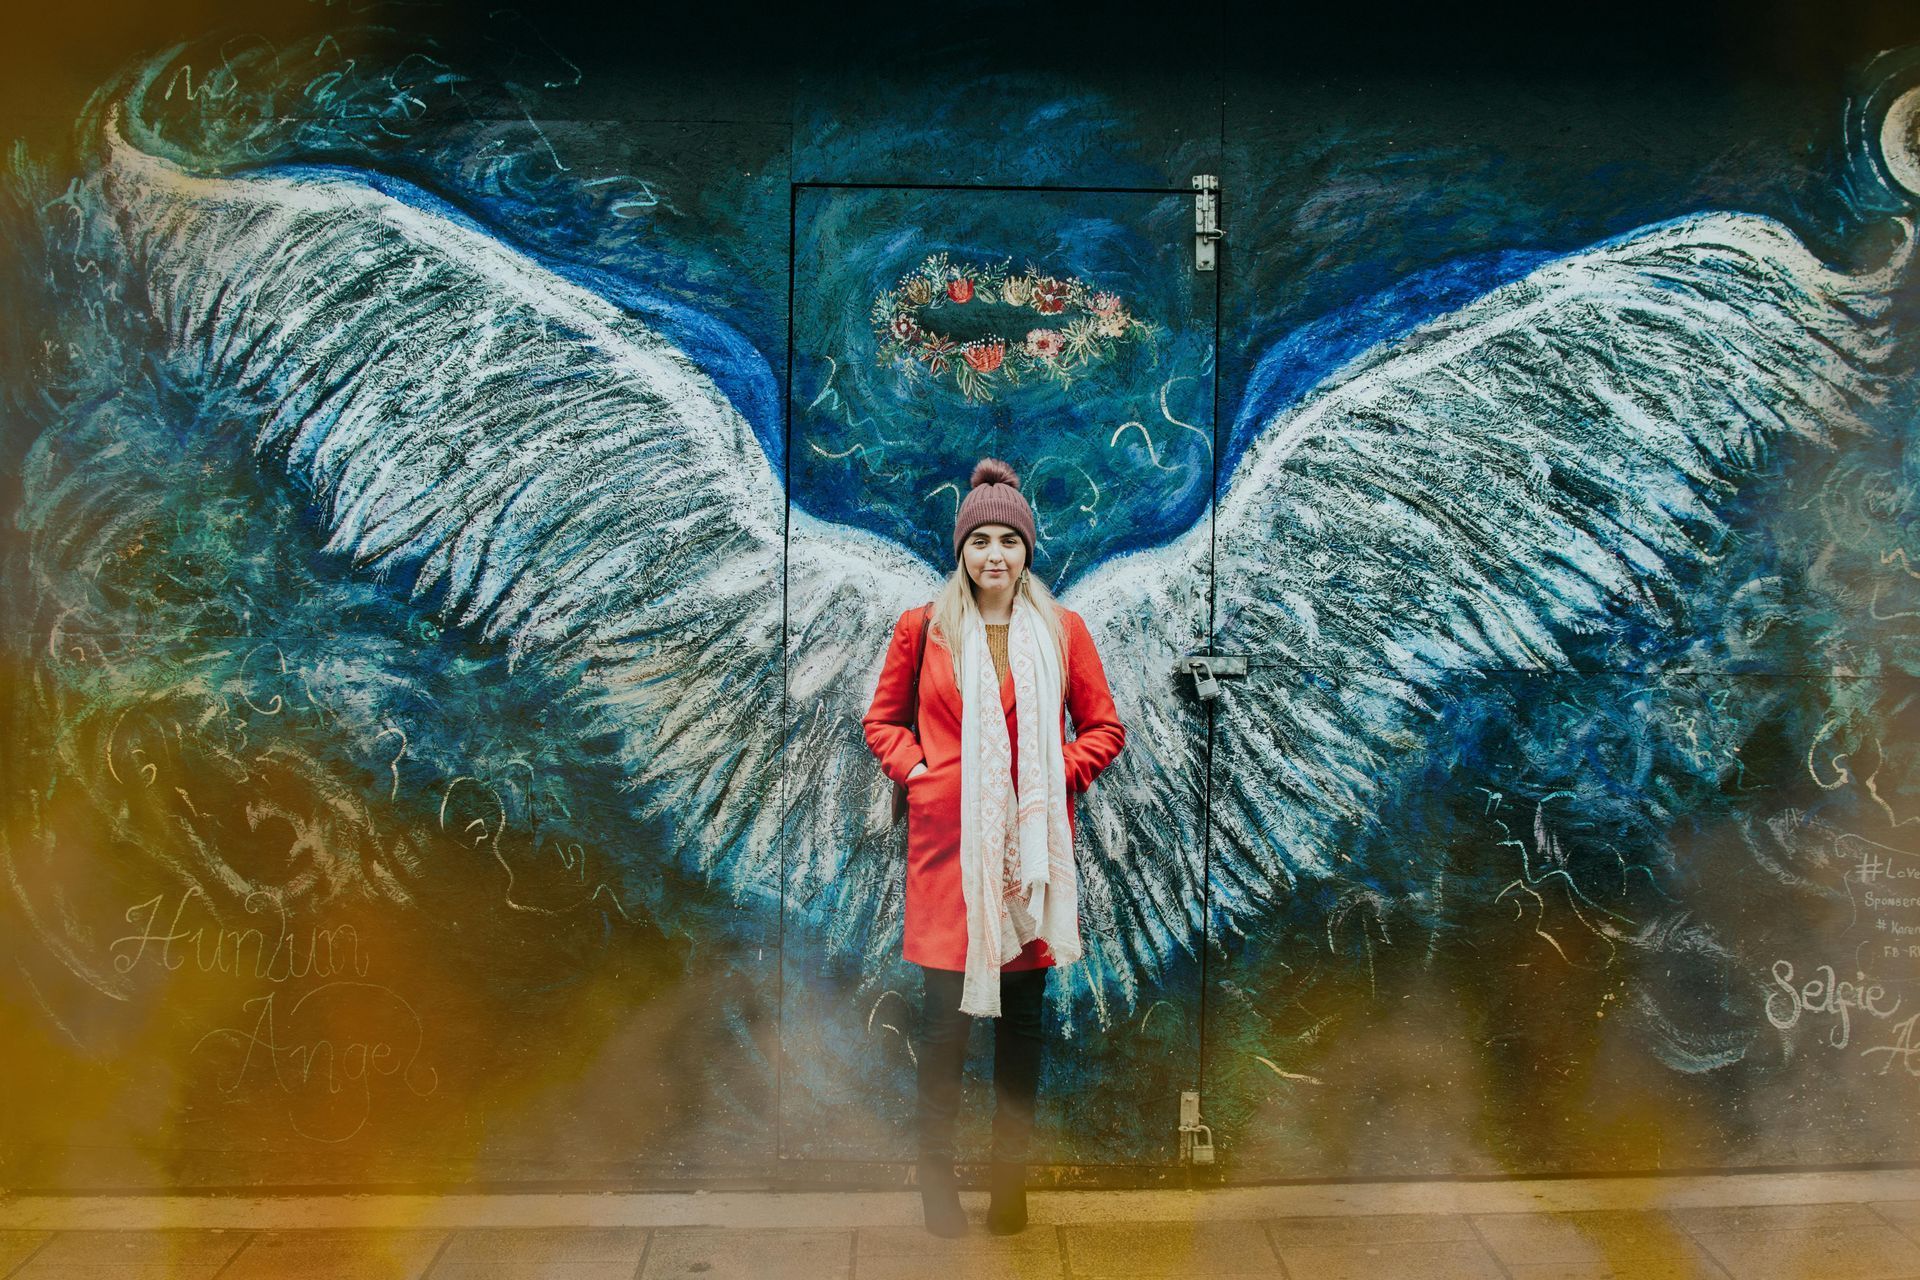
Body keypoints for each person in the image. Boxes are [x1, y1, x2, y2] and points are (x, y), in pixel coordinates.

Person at [862, 457, 1126, 1237]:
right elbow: (882, 721)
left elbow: (1104, 728)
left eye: (1009, 539)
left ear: (1027, 550)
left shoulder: (1061, 631)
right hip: (950, 865)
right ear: (962, 550)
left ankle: (1011, 1186)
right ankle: (934, 1183)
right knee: (944, 1038)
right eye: (980, 540)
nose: (994, 556)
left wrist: (1053, 780)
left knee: (1022, 1040)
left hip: (1030, 868)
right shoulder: (924, 627)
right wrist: (923, 775)